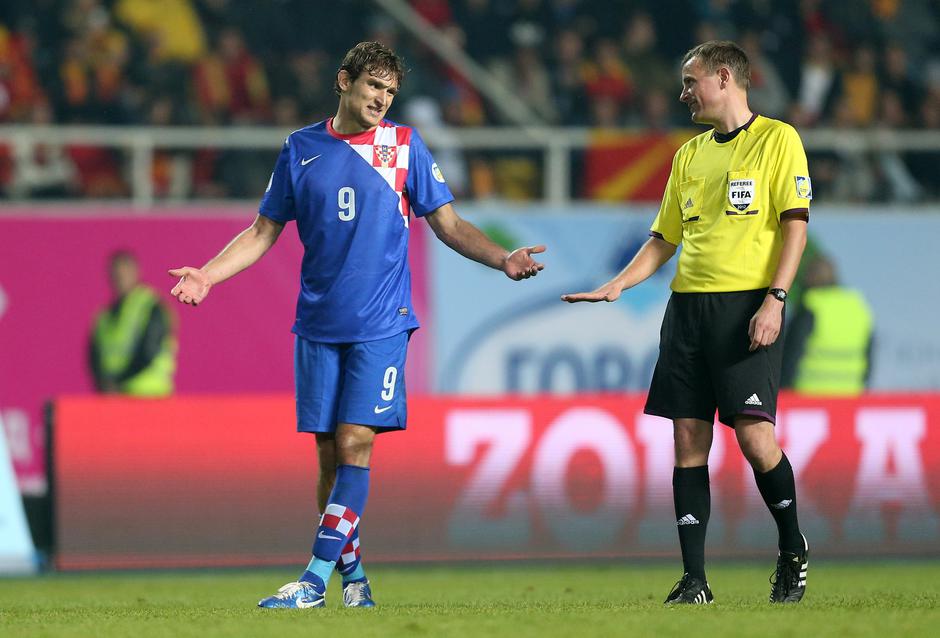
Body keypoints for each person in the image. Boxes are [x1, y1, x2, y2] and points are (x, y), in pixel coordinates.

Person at [168, 41, 545, 609]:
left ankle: (314, 580)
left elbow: (448, 222)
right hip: (318, 324)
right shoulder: (301, 148)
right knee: (329, 457)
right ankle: (356, 579)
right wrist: (207, 275)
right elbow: (262, 231)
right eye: (374, 86)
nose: (382, 99)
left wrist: (502, 258)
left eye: (390, 91)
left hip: (381, 323)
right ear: (344, 81)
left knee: (356, 442)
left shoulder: (404, 146)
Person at [563, 40, 811, 605]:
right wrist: (619, 284)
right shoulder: (689, 154)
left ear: (724, 78)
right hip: (687, 309)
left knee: (754, 437)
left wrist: (775, 298)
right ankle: (694, 579)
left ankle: (792, 547)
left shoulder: (778, 140)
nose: (683, 93)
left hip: (746, 304)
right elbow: (663, 238)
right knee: (687, 438)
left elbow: (794, 226)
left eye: (690, 80)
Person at [782, 254, 874, 395]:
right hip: (850, 397)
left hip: (809, 398)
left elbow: (791, 356)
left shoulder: (811, 305)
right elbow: (869, 356)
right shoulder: (858, 305)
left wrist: (783, 392)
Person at [90, 250, 176, 396]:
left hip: (150, 394)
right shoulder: (105, 316)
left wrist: (117, 381)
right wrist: (105, 384)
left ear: (136, 272)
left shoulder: (151, 306)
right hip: (117, 398)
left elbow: (149, 351)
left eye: (124, 273)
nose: (120, 279)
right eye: (116, 275)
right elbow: (94, 356)